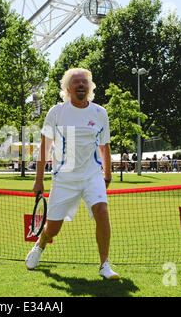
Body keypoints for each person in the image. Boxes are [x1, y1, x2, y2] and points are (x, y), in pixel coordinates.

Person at [25, 68, 119, 280]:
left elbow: (105, 147)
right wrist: (38, 180)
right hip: (64, 179)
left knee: (102, 212)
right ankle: (40, 244)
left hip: (92, 177)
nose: (80, 85)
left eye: (84, 82)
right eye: (76, 82)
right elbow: (44, 148)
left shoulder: (100, 113)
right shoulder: (56, 112)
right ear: (68, 88)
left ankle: (105, 264)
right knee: (54, 230)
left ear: (90, 87)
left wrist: (108, 175)